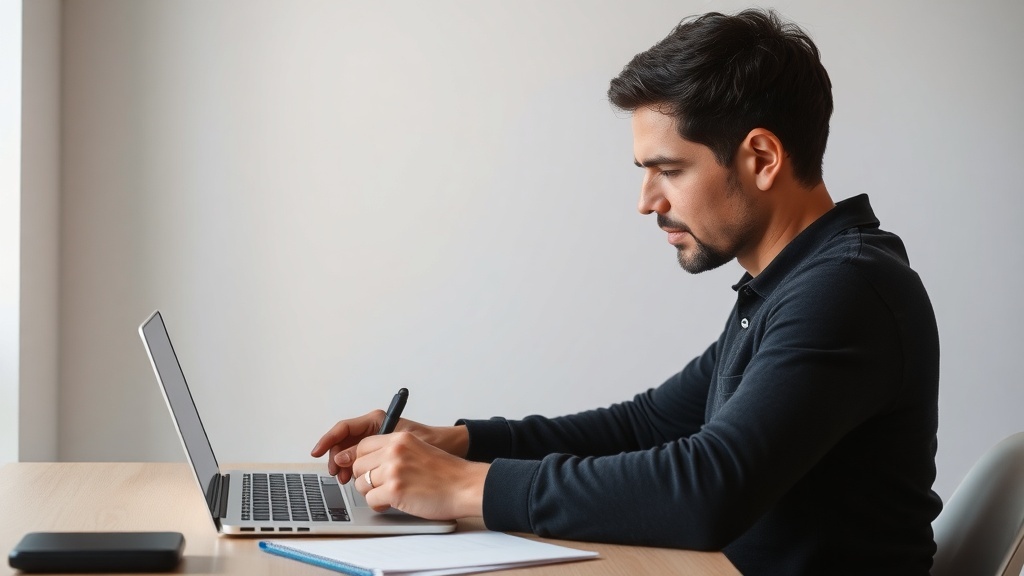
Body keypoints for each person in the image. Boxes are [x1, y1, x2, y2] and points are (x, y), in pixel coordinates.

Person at [311, 9, 941, 575]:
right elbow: (646, 425)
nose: (647, 203)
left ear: (762, 157)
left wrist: (466, 487)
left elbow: (707, 491)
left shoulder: (847, 291)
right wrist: (459, 442)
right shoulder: (788, 287)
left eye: (668, 170)